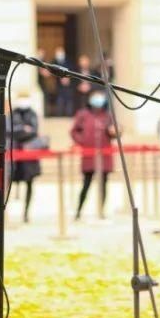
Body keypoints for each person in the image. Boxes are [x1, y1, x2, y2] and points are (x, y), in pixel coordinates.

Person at [71, 89, 117, 220]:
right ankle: (78, 211)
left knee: (104, 184)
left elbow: (115, 131)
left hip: (104, 155)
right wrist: (83, 141)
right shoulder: (83, 114)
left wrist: (114, 131)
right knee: (86, 183)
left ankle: (101, 211)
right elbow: (74, 131)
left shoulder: (108, 115)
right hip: (89, 156)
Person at [9, 91, 43, 222]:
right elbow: (9, 130)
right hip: (15, 154)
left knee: (29, 184)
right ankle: (4, 213)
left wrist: (20, 131)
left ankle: (26, 213)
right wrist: (24, 129)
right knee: (8, 184)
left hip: (29, 155)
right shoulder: (13, 113)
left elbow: (34, 130)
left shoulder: (32, 113)